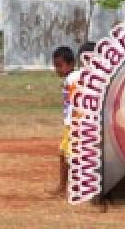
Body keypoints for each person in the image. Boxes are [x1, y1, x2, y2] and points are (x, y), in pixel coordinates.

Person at [48, 45, 82, 196]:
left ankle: (75, 187)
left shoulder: (74, 78)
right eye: (55, 66)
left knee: (69, 156)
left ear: (71, 64)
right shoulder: (71, 78)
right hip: (70, 124)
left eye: (60, 66)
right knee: (63, 154)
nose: (57, 70)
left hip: (74, 125)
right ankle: (63, 186)